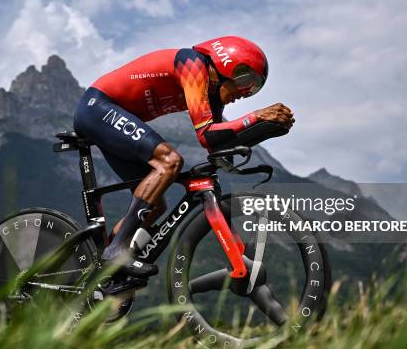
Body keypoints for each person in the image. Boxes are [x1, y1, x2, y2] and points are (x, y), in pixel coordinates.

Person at [74, 36, 294, 278]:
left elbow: (219, 147)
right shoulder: (192, 64)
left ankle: (101, 275)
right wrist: (256, 117)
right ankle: (115, 252)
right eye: (247, 82)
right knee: (169, 161)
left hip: (112, 116)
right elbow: (207, 135)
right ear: (226, 66)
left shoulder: (210, 93)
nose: (245, 94)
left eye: (253, 90)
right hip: (97, 107)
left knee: (156, 206)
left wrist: (267, 130)